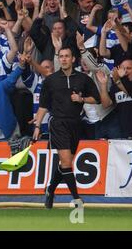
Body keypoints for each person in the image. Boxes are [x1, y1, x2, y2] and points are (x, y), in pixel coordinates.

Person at [32, 46, 101, 209]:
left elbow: (97, 99)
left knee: (65, 164)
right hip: (58, 123)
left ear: (73, 59)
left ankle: (50, 189)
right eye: (61, 56)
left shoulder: (83, 79)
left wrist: (81, 99)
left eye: (66, 56)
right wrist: (37, 126)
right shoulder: (51, 80)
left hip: (75, 123)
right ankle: (77, 199)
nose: (63, 59)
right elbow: (43, 106)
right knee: (66, 161)